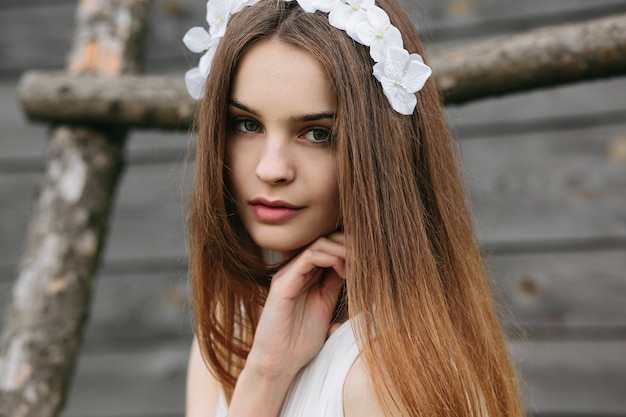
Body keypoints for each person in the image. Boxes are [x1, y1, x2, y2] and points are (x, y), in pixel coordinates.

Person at [184, 0, 524, 416]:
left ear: (380, 151)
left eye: (317, 133)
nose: (271, 169)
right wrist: (266, 375)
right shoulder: (228, 330)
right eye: (248, 125)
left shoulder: (382, 381)